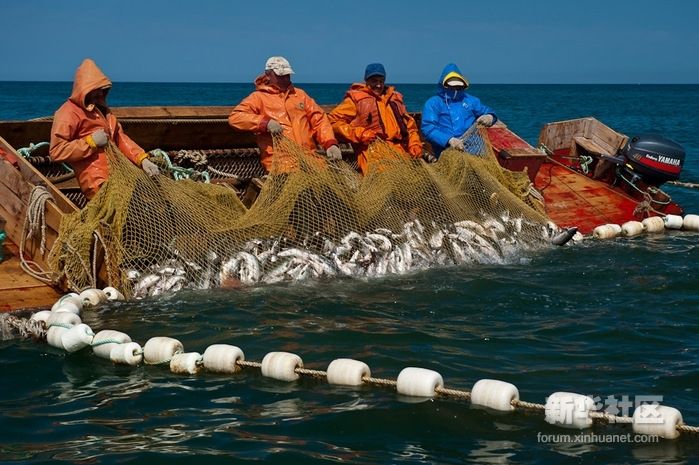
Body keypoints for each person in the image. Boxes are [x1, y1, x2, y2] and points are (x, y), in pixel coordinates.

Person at [50, 59, 159, 200]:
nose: (100, 94)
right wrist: (91, 142)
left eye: (102, 90)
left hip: (121, 176)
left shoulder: (104, 111)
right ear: (84, 90)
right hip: (96, 182)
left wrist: (142, 159)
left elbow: (120, 138)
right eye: (96, 91)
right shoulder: (67, 112)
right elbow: (56, 151)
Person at [228, 56, 341, 173]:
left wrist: (330, 143)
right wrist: (264, 123)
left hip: (311, 161)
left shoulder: (300, 95)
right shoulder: (258, 97)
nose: (285, 79)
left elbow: (319, 119)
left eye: (287, 75)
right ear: (268, 75)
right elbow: (235, 117)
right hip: (281, 165)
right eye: (280, 76)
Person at [329, 63, 428, 175]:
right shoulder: (356, 100)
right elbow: (333, 122)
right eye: (374, 81)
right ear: (366, 81)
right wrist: (359, 133)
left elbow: (410, 127)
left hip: (400, 153)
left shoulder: (395, 99)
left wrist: (414, 144)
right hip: (372, 154)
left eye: (381, 81)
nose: (378, 85)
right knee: (385, 180)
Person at [421, 63, 497, 158]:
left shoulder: (471, 100)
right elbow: (428, 129)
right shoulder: (433, 103)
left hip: (474, 147)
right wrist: (449, 140)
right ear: (444, 84)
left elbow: (487, 111)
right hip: (445, 148)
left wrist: (490, 117)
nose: (455, 89)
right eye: (452, 86)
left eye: (458, 86)